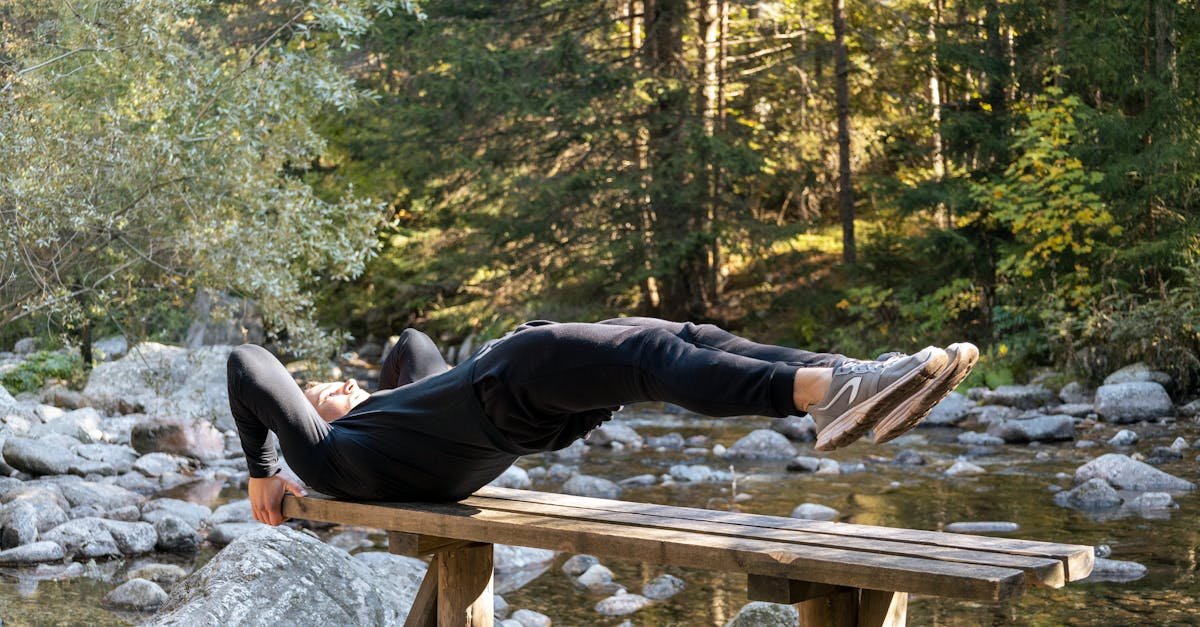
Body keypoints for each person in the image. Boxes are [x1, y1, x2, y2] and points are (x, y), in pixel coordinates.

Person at [228, 318, 977, 526]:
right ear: (315, 426)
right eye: (323, 391)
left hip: (525, 416)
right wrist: (266, 470)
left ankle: (861, 378)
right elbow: (250, 366)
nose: (337, 383)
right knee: (657, 353)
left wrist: (364, 395)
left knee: (692, 338)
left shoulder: (392, 422)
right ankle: (827, 392)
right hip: (511, 381)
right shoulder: (335, 459)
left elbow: (412, 348)